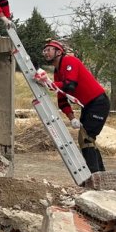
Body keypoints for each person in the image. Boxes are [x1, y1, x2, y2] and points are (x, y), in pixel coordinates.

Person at [38, 40, 110, 176]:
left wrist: (48, 83)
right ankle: (101, 175)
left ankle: (95, 175)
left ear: (58, 52)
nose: (45, 53)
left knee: (86, 138)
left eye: (49, 49)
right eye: (44, 50)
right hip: (88, 106)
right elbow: (62, 99)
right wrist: (71, 118)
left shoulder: (69, 61)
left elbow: (70, 85)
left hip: (98, 103)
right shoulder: (57, 72)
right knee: (87, 139)